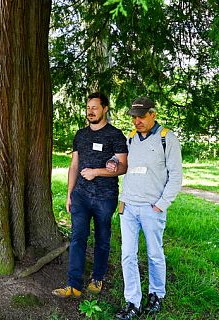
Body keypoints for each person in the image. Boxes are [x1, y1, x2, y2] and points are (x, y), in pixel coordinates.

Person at [52, 92, 128, 298]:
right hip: (81, 196)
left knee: (102, 238)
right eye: (88, 108)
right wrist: (69, 194)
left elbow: (123, 167)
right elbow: (74, 165)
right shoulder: (81, 135)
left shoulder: (115, 135)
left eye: (95, 107)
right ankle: (74, 285)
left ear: (105, 109)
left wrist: (97, 172)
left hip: (105, 197)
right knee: (77, 238)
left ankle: (97, 277)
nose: (90, 111)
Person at [114, 97, 182, 319]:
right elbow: (126, 166)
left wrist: (161, 205)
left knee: (154, 254)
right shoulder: (131, 138)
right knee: (127, 255)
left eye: (141, 116)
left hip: (152, 209)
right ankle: (133, 302)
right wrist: (113, 163)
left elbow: (176, 177)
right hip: (129, 208)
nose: (137, 121)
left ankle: (156, 295)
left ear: (153, 114)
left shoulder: (167, 138)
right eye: (134, 117)